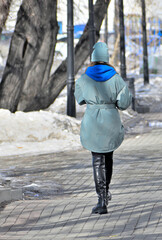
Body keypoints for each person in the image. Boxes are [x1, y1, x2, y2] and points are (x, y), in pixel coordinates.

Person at [74, 42, 132, 215]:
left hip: (93, 121)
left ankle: (101, 199)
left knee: (97, 160)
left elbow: (80, 99)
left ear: (92, 58)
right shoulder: (116, 78)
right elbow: (124, 103)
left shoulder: (84, 78)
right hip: (110, 121)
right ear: (107, 58)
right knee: (108, 158)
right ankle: (105, 194)